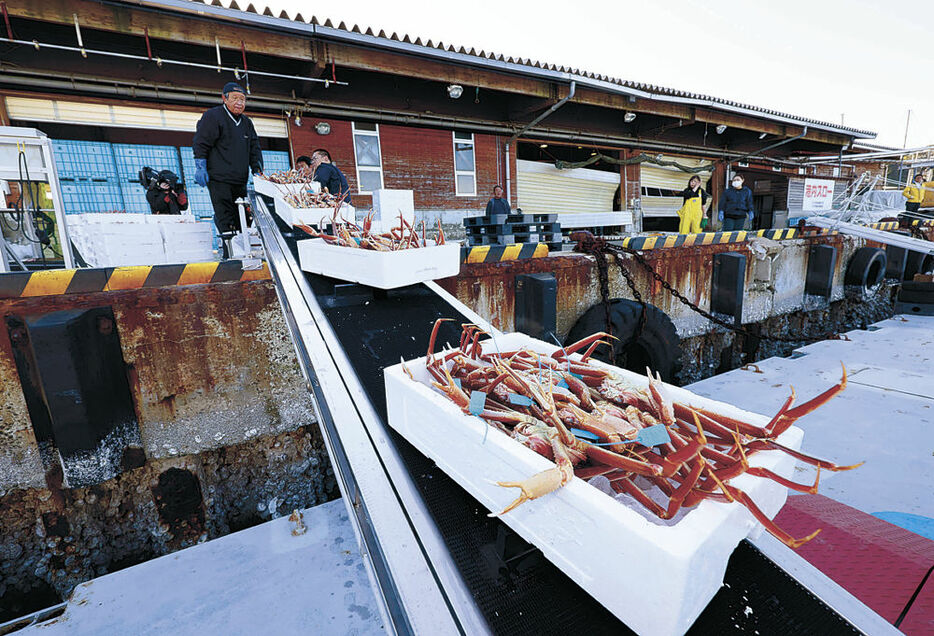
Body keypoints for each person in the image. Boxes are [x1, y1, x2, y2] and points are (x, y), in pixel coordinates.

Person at [192, 82, 263, 254]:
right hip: (219, 178)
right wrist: (200, 165)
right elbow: (201, 142)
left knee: (244, 217)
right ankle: (230, 253)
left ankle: (246, 252)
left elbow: (255, 148)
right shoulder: (213, 116)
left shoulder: (247, 123)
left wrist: (258, 171)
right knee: (225, 216)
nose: (239, 103)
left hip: (240, 180)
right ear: (224, 98)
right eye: (235, 98)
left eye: (243, 99)